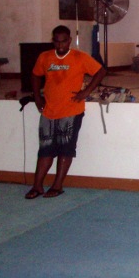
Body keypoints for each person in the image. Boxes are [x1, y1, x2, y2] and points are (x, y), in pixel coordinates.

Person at [25, 25, 106, 199]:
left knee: (65, 150)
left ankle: (57, 185)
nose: (60, 46)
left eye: (64, 42)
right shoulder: (45, 57)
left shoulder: (79, 57)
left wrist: (86, 92)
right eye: (57, 42)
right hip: (49, 111)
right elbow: (35, 75)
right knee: (45, 150)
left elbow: (100, 71)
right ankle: (37, 186)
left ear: (69, 41)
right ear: (53, 41)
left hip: (71, 111)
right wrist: (37, 98)